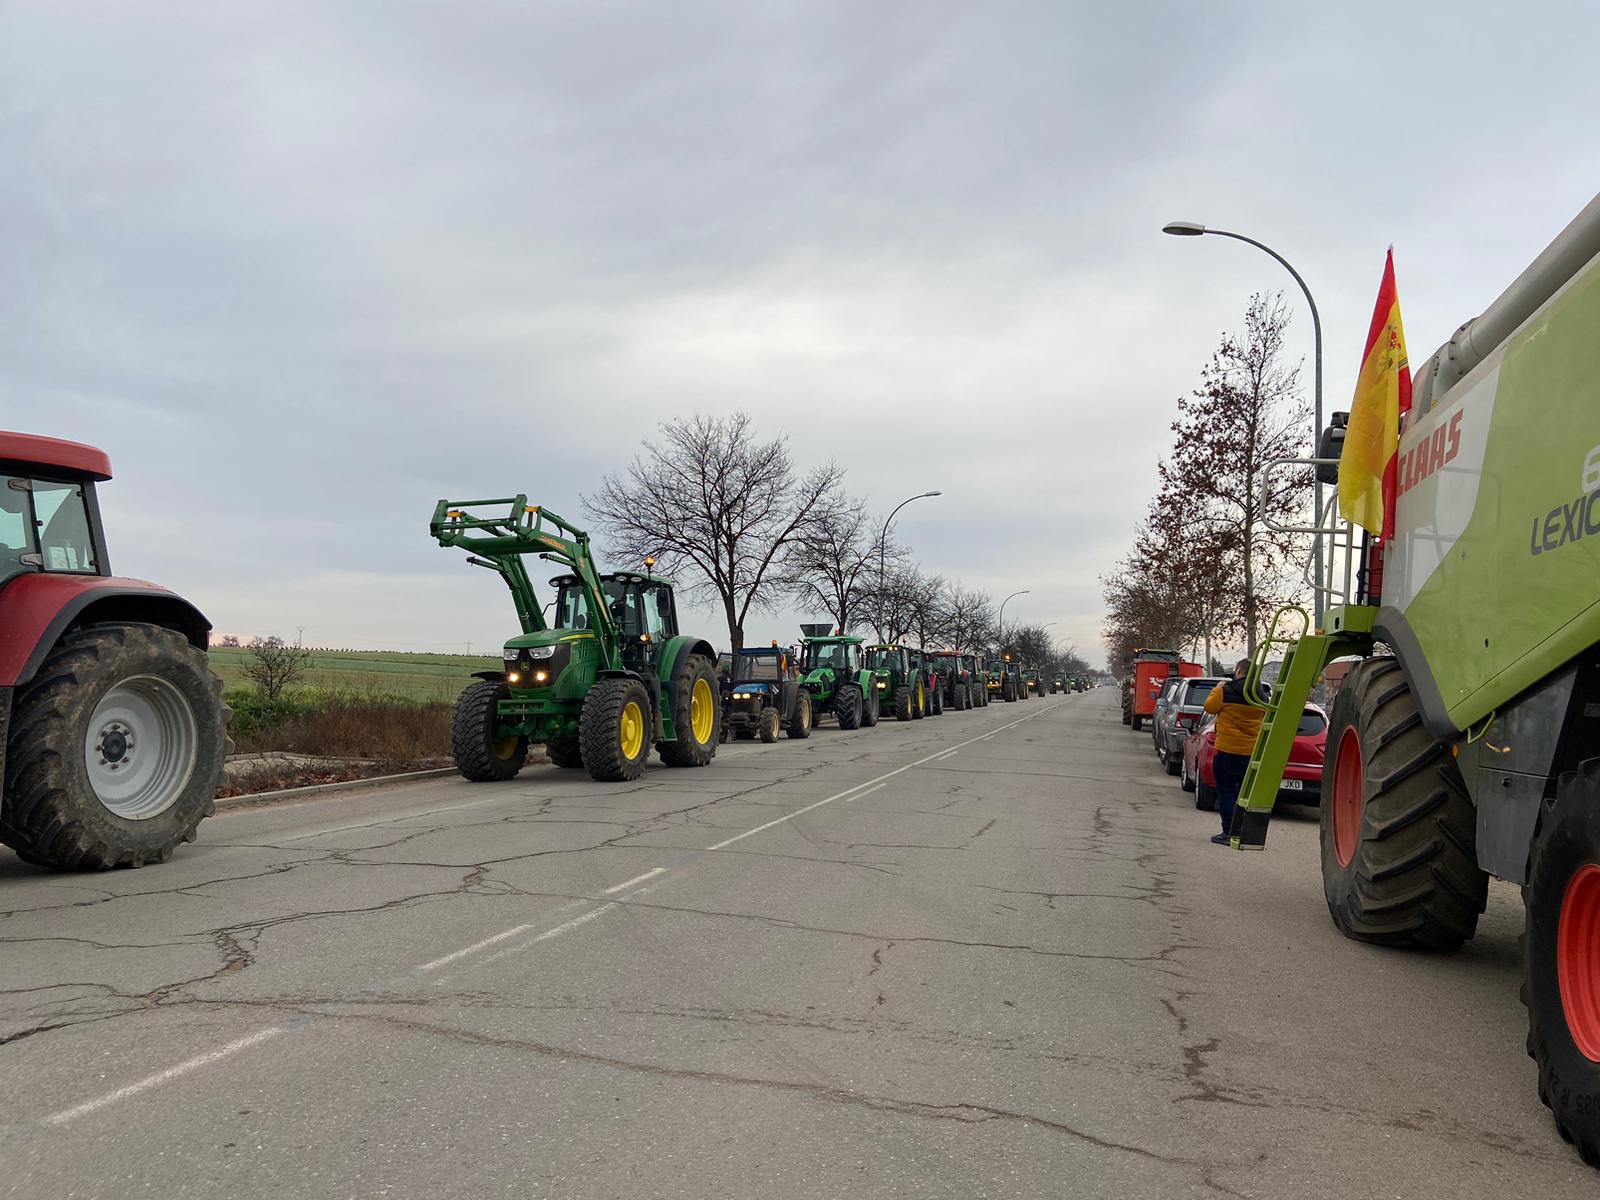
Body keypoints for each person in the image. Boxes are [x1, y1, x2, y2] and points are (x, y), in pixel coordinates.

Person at [1203, 658, 1266, 845]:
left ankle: (1229, 831)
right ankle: (1246, 832)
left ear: (1239, 671)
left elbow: (1209, 707)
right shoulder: (1261, 696)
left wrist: (1218, 688)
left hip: (1227, 750)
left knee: (1226, 792)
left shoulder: (1226, 691)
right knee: (1244, 794)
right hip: (1250, 752)